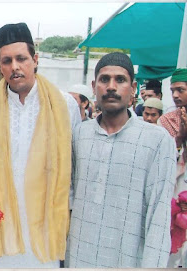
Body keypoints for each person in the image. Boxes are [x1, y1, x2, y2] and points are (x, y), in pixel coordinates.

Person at [0, 22, 81, 268]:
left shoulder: (64, 106)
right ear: (0, 66)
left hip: (45, 226)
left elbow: (73, 170)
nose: (15, 67)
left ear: (35, 59)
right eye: (7, 60)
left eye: (21, 58)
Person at [66, 52, 176, 268]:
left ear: (133, 88)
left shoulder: (157, 139)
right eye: (104, 79)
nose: (111, 87)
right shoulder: (79, 134)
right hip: (79, 257)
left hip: (129, 259)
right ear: (94, 86)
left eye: (120, 80)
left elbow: (159, 216)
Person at [158, 68, 187, 268]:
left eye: (181, 90)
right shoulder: (167, 121)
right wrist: (181, 135)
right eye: (172, 90)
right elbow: (165, 157)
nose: (175, 95)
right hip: (177, 189)